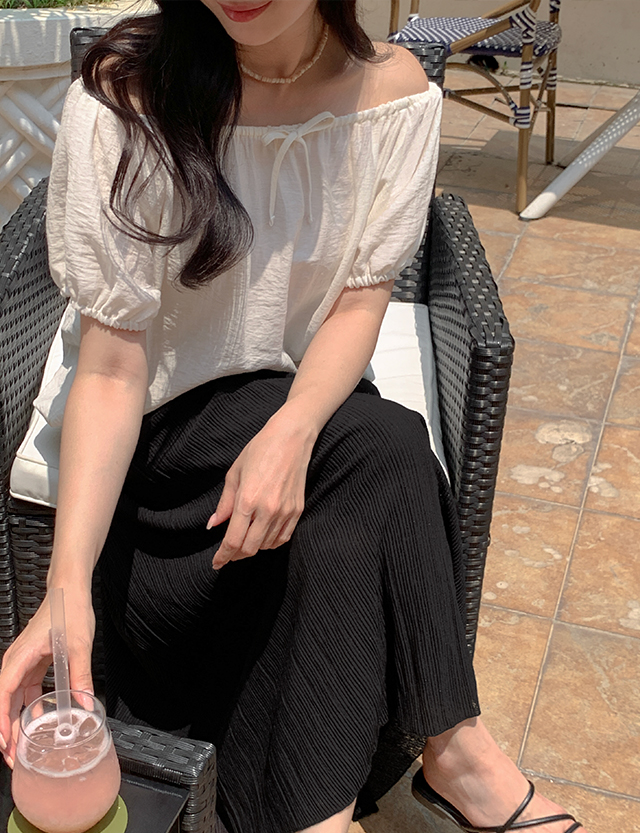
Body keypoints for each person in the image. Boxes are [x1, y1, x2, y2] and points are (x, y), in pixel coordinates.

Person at [0, 2, 586, 832]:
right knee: (386, 446)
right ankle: (457, 755)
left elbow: (359, 302)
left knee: (356, 490)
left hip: (303, 418)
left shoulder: (392, 96)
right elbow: (110, 367)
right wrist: (65, 594)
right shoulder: (130, 96)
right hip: (168, 459)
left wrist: (292, 429)